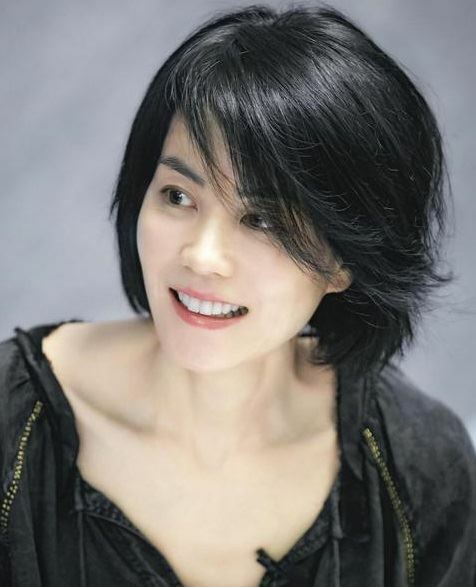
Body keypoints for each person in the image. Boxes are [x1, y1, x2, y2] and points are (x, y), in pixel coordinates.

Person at [1, 3, 475, 586]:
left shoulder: (422, 467)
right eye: (178, 196)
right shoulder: (11, 425)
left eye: (264, 220)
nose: (202, 256)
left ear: (346, 259)